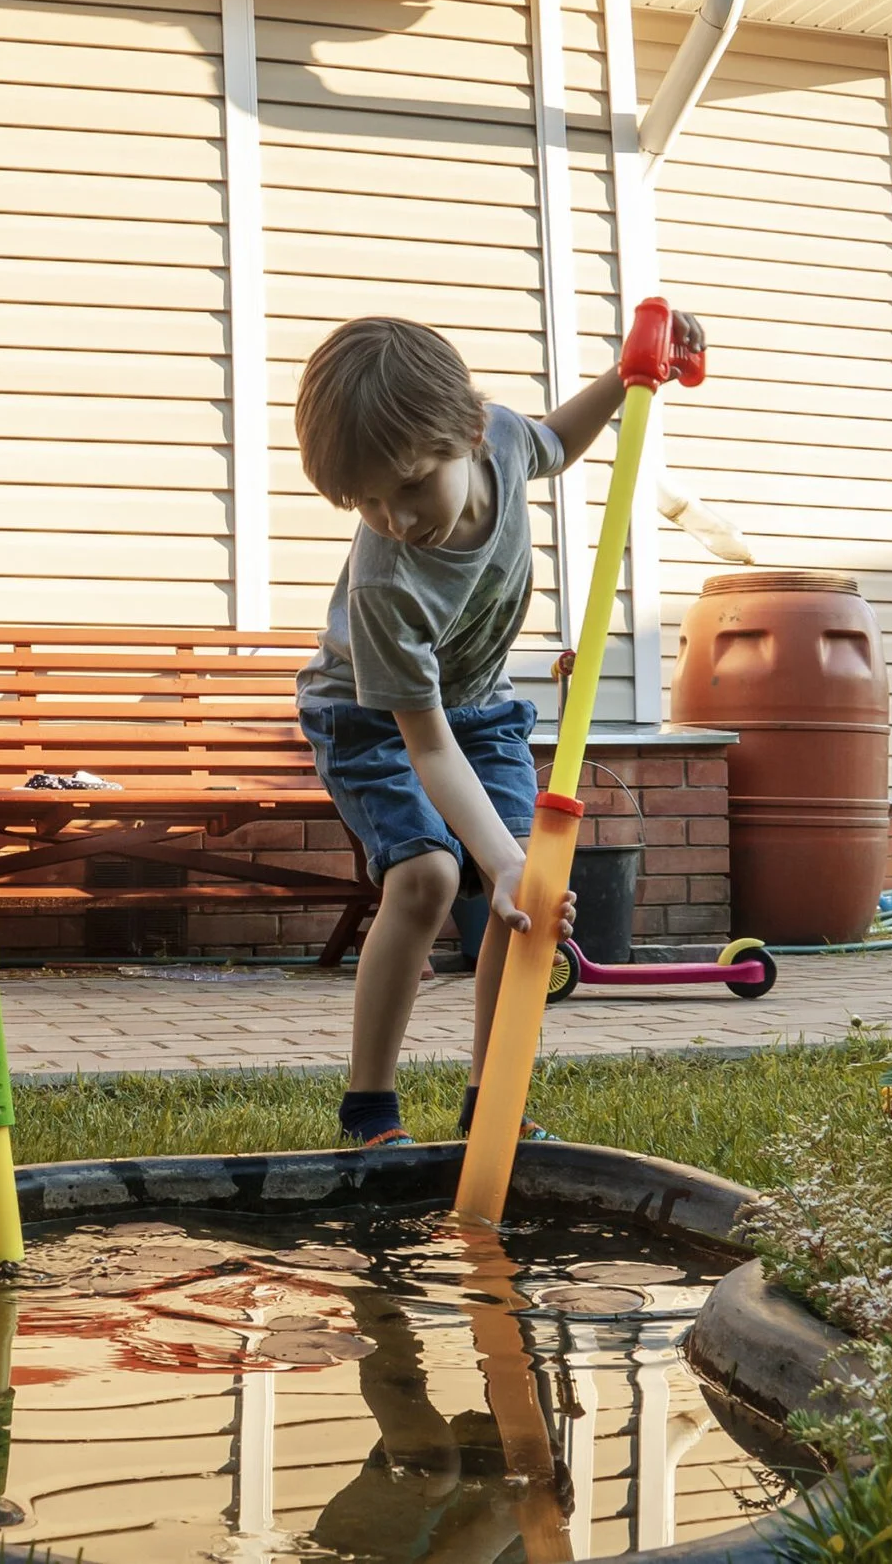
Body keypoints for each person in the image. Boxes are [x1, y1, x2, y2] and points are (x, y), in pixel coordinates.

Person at [293, 310, 704, 1146]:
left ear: (473, 433)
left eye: (408, 485)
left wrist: (628, 379)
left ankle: (493, 1100)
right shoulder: (387, 584)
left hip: (478, 706)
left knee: (529, 904)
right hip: (371, 718)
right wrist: (502, 860)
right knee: (428, 879)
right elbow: (425, 744)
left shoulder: (506, 441)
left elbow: (555, 437)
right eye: (364, 503)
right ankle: (369, 1108)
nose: (395, 519)